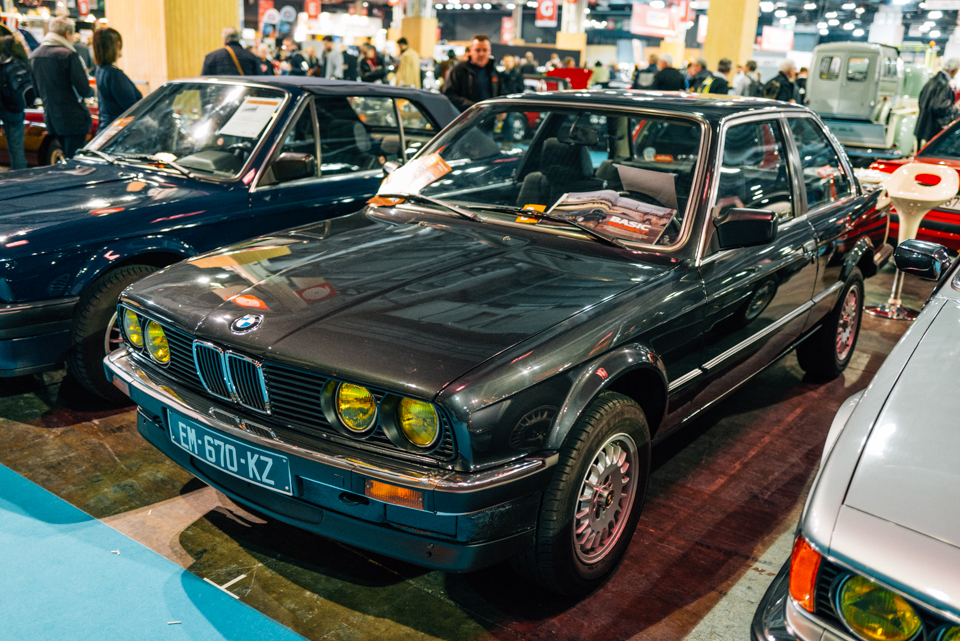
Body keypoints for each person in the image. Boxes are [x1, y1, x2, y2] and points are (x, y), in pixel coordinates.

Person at [29, 16, 92, 159]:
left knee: (64, 159)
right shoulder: (68, 55)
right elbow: (83, 89)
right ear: (67, 34)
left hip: (52, 118)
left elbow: (36, 91)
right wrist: (92, 91)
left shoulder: (34, 56)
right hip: (74, 119)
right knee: (75, 162)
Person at [92, 28, 141, 134]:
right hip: (119, 133)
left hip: (106, 129)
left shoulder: (101, 70)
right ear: (115, 46)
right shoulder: (114, 74)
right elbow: (132, 107)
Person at [442, 34, 499, 112]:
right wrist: (475, 107)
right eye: (477, 50)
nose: (481, 54)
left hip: (489, 119)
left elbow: (501, 92)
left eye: (484, 50)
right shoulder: (458, 69)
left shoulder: (493, 70)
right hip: (466, 120)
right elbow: (449, 95)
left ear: (490, 51)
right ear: (470, 51)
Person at [917, 58, 960, 147]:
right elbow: (940, 106)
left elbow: (921, 99)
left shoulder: (932, 80)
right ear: (955, 70)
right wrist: (955, 108)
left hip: (924, 125)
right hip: (934, 128)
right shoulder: (943, 84)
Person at [0, 35, 27, 170]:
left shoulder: (3, 64)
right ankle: (20, 177)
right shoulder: (20, 63)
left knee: (14, 148)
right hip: (15, 109)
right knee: (17, 149)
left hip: (4, 108)